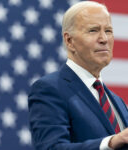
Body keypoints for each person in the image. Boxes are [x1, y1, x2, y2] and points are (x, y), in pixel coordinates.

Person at [28, 1, 128, 150]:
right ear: (69, 41)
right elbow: (51, 147)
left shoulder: (118, 102)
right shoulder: (49, 89)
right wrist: (110, 143)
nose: (104, 39)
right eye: (93, 30)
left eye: (108, 31)